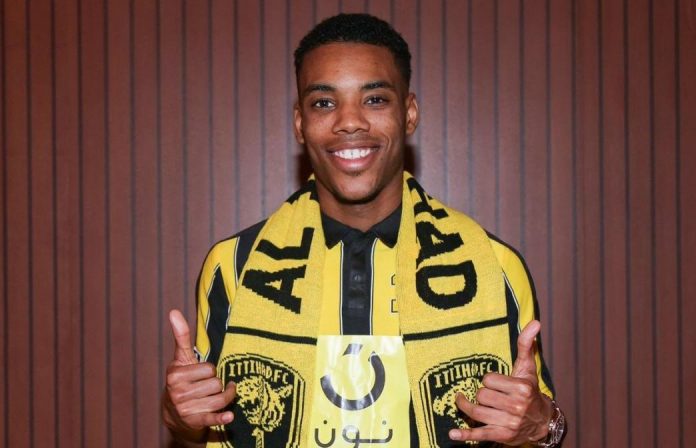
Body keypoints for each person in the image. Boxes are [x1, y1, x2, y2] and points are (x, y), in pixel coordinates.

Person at [162, 13, 565, 448]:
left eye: (374, 99)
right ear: (299, 123)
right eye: (324, 103)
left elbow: (538, 422)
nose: (349, 121)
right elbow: (200, 426)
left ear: (409, 114)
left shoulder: (493, 265)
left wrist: (544, 425)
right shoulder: (234, 266)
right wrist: (179, 415)